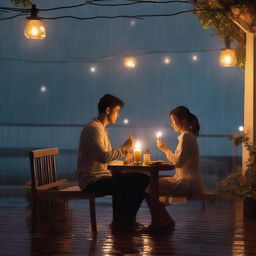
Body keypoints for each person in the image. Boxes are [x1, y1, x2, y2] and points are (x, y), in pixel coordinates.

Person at [77, 94, 150, 233]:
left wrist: (124, 161)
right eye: (117, 111)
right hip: (91, 181)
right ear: (108, 110)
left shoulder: (102, 129)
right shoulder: (93, 129)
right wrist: (124, 148)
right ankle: (123, 223)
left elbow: (106, 159)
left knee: (140, 178)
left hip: (100, 176)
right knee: (139, 180)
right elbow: (103, 158)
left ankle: (124, 221)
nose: (118, 115)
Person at [146, 106, 205, 232]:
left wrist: (164, 149)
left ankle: (159, 222)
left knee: (150, 185)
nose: (171, 124)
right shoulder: (187, 136)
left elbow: (178, 162)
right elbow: (180, 160)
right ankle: (163, 219)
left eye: (173, 120)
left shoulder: (186, 137)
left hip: (188, 183)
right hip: (186, 181)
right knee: (152, 183)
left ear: (183, 121)